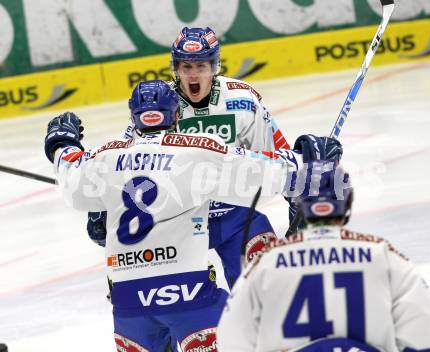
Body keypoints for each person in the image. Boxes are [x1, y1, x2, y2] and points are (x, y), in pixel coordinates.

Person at [44, 80, 305, 352]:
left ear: (133, 117)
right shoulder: (196, 151)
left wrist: (61, 143)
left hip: (128, 305)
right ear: (177, 114)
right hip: (189, 296)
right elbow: (262, 172)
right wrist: (307, 158)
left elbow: (70, 173)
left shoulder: (105, 156)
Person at [88, 27, 342, 288]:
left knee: (266, 289)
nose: (193, 74)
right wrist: (101, 207)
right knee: (180, 304)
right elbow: (126, 159)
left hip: (236, 215)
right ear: (176, 68)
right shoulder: (158, 101)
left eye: (201, 66)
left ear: (214, 66)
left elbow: (272, 157)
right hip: (178, 221)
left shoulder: (242, 100)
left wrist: (299, 192)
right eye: (186, 66)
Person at [217, 160, 430, 351]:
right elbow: (423, 324)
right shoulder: (382, 254)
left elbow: (232, 337)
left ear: (301, 204)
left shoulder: (266, 263)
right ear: (348, 203)